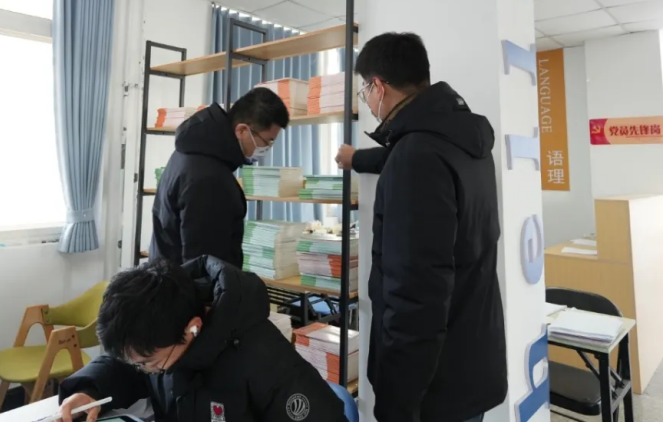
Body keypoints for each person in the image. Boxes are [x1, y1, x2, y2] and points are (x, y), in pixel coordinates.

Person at [344, 32, 507, 422]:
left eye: (364, 90)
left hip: (432, 387)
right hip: (471, 360)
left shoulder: (417, 156)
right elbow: (400, 157)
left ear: (378, 87)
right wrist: (358, 159)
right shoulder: (461, 142)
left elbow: (414, 295)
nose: (366, 100)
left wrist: (397, 402)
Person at [58, 257, 348, 422]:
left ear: (192, 329)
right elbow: (129, 361)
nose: (145, 370)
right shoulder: (160, 330)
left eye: (149, 363)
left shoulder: (263, 356)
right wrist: (89, 390)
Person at [150, 88, 289, 268]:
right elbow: (204, 265)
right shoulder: (209, 178)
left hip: (164, 275)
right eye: (268, 141)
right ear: (242, 130)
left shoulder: (190, 150)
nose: (267, 148)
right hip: (181, 283)